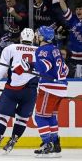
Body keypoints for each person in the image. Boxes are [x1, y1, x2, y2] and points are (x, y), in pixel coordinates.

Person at [0, 28, 39, 156]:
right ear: (34, 39)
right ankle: (12, 142)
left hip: (12, 89)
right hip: (30, 91)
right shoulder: (39, 52)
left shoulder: (11, 48)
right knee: (22, 119)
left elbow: (0, 70)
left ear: (21, 37)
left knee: (2, 117)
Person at [32, 26, 68, 157]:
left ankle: (47, 144)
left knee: (40, 117)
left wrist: (30, 65)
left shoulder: (42, 50)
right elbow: (65, 68)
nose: (36, 36)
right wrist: (31, 65)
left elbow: (44, 66)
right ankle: (55, 144)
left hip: (49, 88)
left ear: (42, 37)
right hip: (61, 88)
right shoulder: (55, 49)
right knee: (51, 116)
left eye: (37, 34)